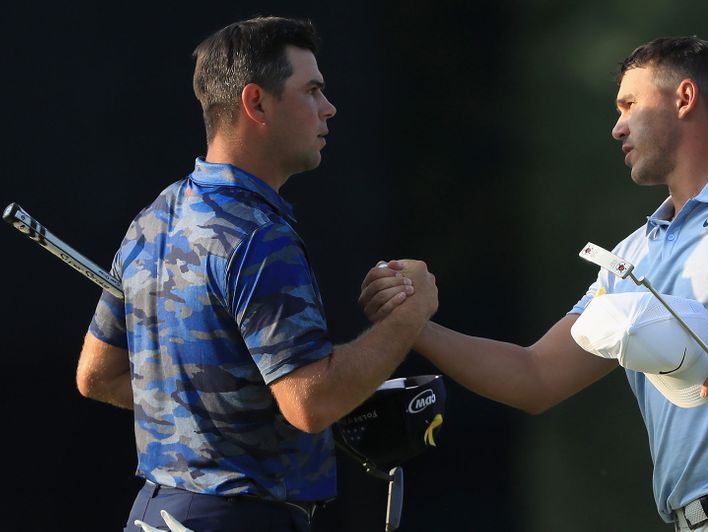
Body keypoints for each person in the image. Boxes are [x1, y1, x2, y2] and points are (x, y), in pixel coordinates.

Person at [360, 36, 708, 530]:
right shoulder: (628, 257)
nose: (617, 128)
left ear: (684, 98)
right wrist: (413, 327)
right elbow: (535, 376)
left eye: (628, 105)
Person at [76, 16, 438, 532]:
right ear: (257, 103)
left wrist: (227, 414)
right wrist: (411, 313)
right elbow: (312, 402)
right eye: (311, 90)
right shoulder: (259, 237)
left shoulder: (153, 219)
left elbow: (98, 375)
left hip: (155, 514)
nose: (328, 108)